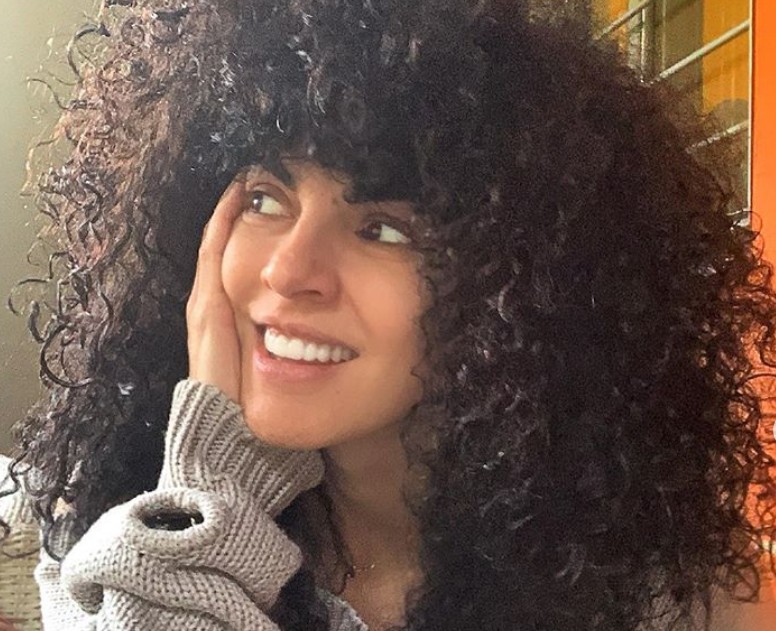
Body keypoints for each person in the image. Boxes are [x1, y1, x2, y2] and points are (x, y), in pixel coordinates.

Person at [1, 0, 775, 629]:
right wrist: (208, 490)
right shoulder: (113, 528)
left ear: (523, 287)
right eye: (265, 198)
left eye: (385, 229)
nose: (288, 270)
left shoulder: (677, 600)